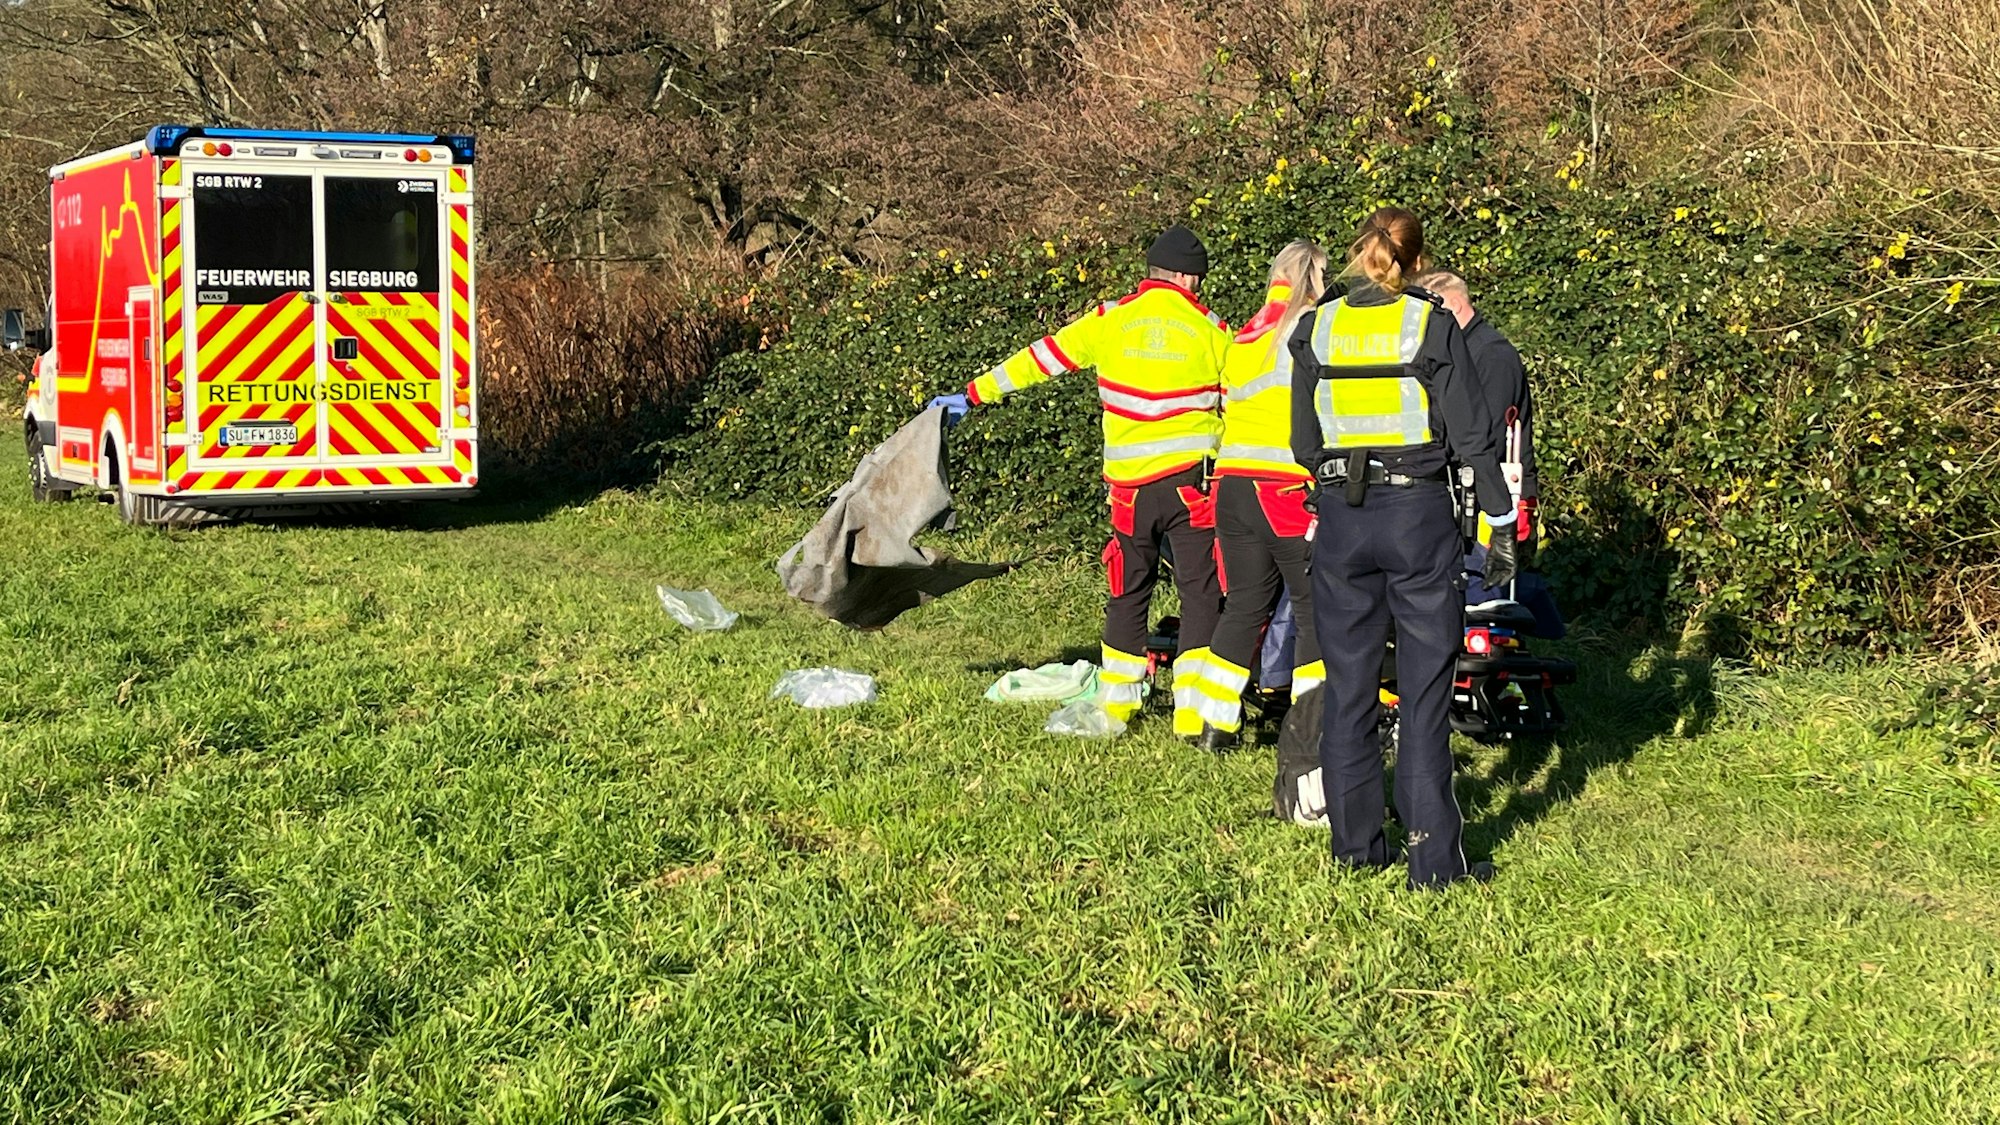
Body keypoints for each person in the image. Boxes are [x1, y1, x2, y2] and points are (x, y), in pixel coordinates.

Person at [1287, 207, 1519, 888]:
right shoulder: (1429, 322)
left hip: (1340, 518)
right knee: (1421, 696)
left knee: (1350, 687)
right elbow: (1474, 437)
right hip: (1417, 513)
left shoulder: (1317, 325)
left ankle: (1356, 849)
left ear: (1360, 254)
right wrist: (1498, 525)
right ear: (1418, 262)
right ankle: (1433, 860)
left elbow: (1305, 442)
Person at [931, 226, 1230, 736]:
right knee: (1200, 591)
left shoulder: (1108, 321)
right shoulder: (1211, 328)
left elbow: (1039, 359)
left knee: (1128, 588)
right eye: (1197, 280)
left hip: (1130, 491)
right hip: (1191, 488)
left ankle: (1117, 706)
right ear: (1185, 277)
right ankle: (1190, 712)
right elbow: (1242, 399)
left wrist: (972, 394)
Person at [1178, 240, 1328, 751]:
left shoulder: (1244, 334)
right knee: (1313, 607)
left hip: (1234, 487)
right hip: (1286, 488)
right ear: (1317, 279)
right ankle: (1310, 727)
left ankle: (1214, 724)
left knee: (1243, 604)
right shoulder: (1313, 329)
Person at [1415, 270, 1564, 639]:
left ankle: (1499, 670)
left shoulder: (1491, 355)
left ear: (1452, 305)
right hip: (1470, 488)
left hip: (1491, 491)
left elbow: (1488, 434)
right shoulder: (1464, 352)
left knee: (1486, 588)